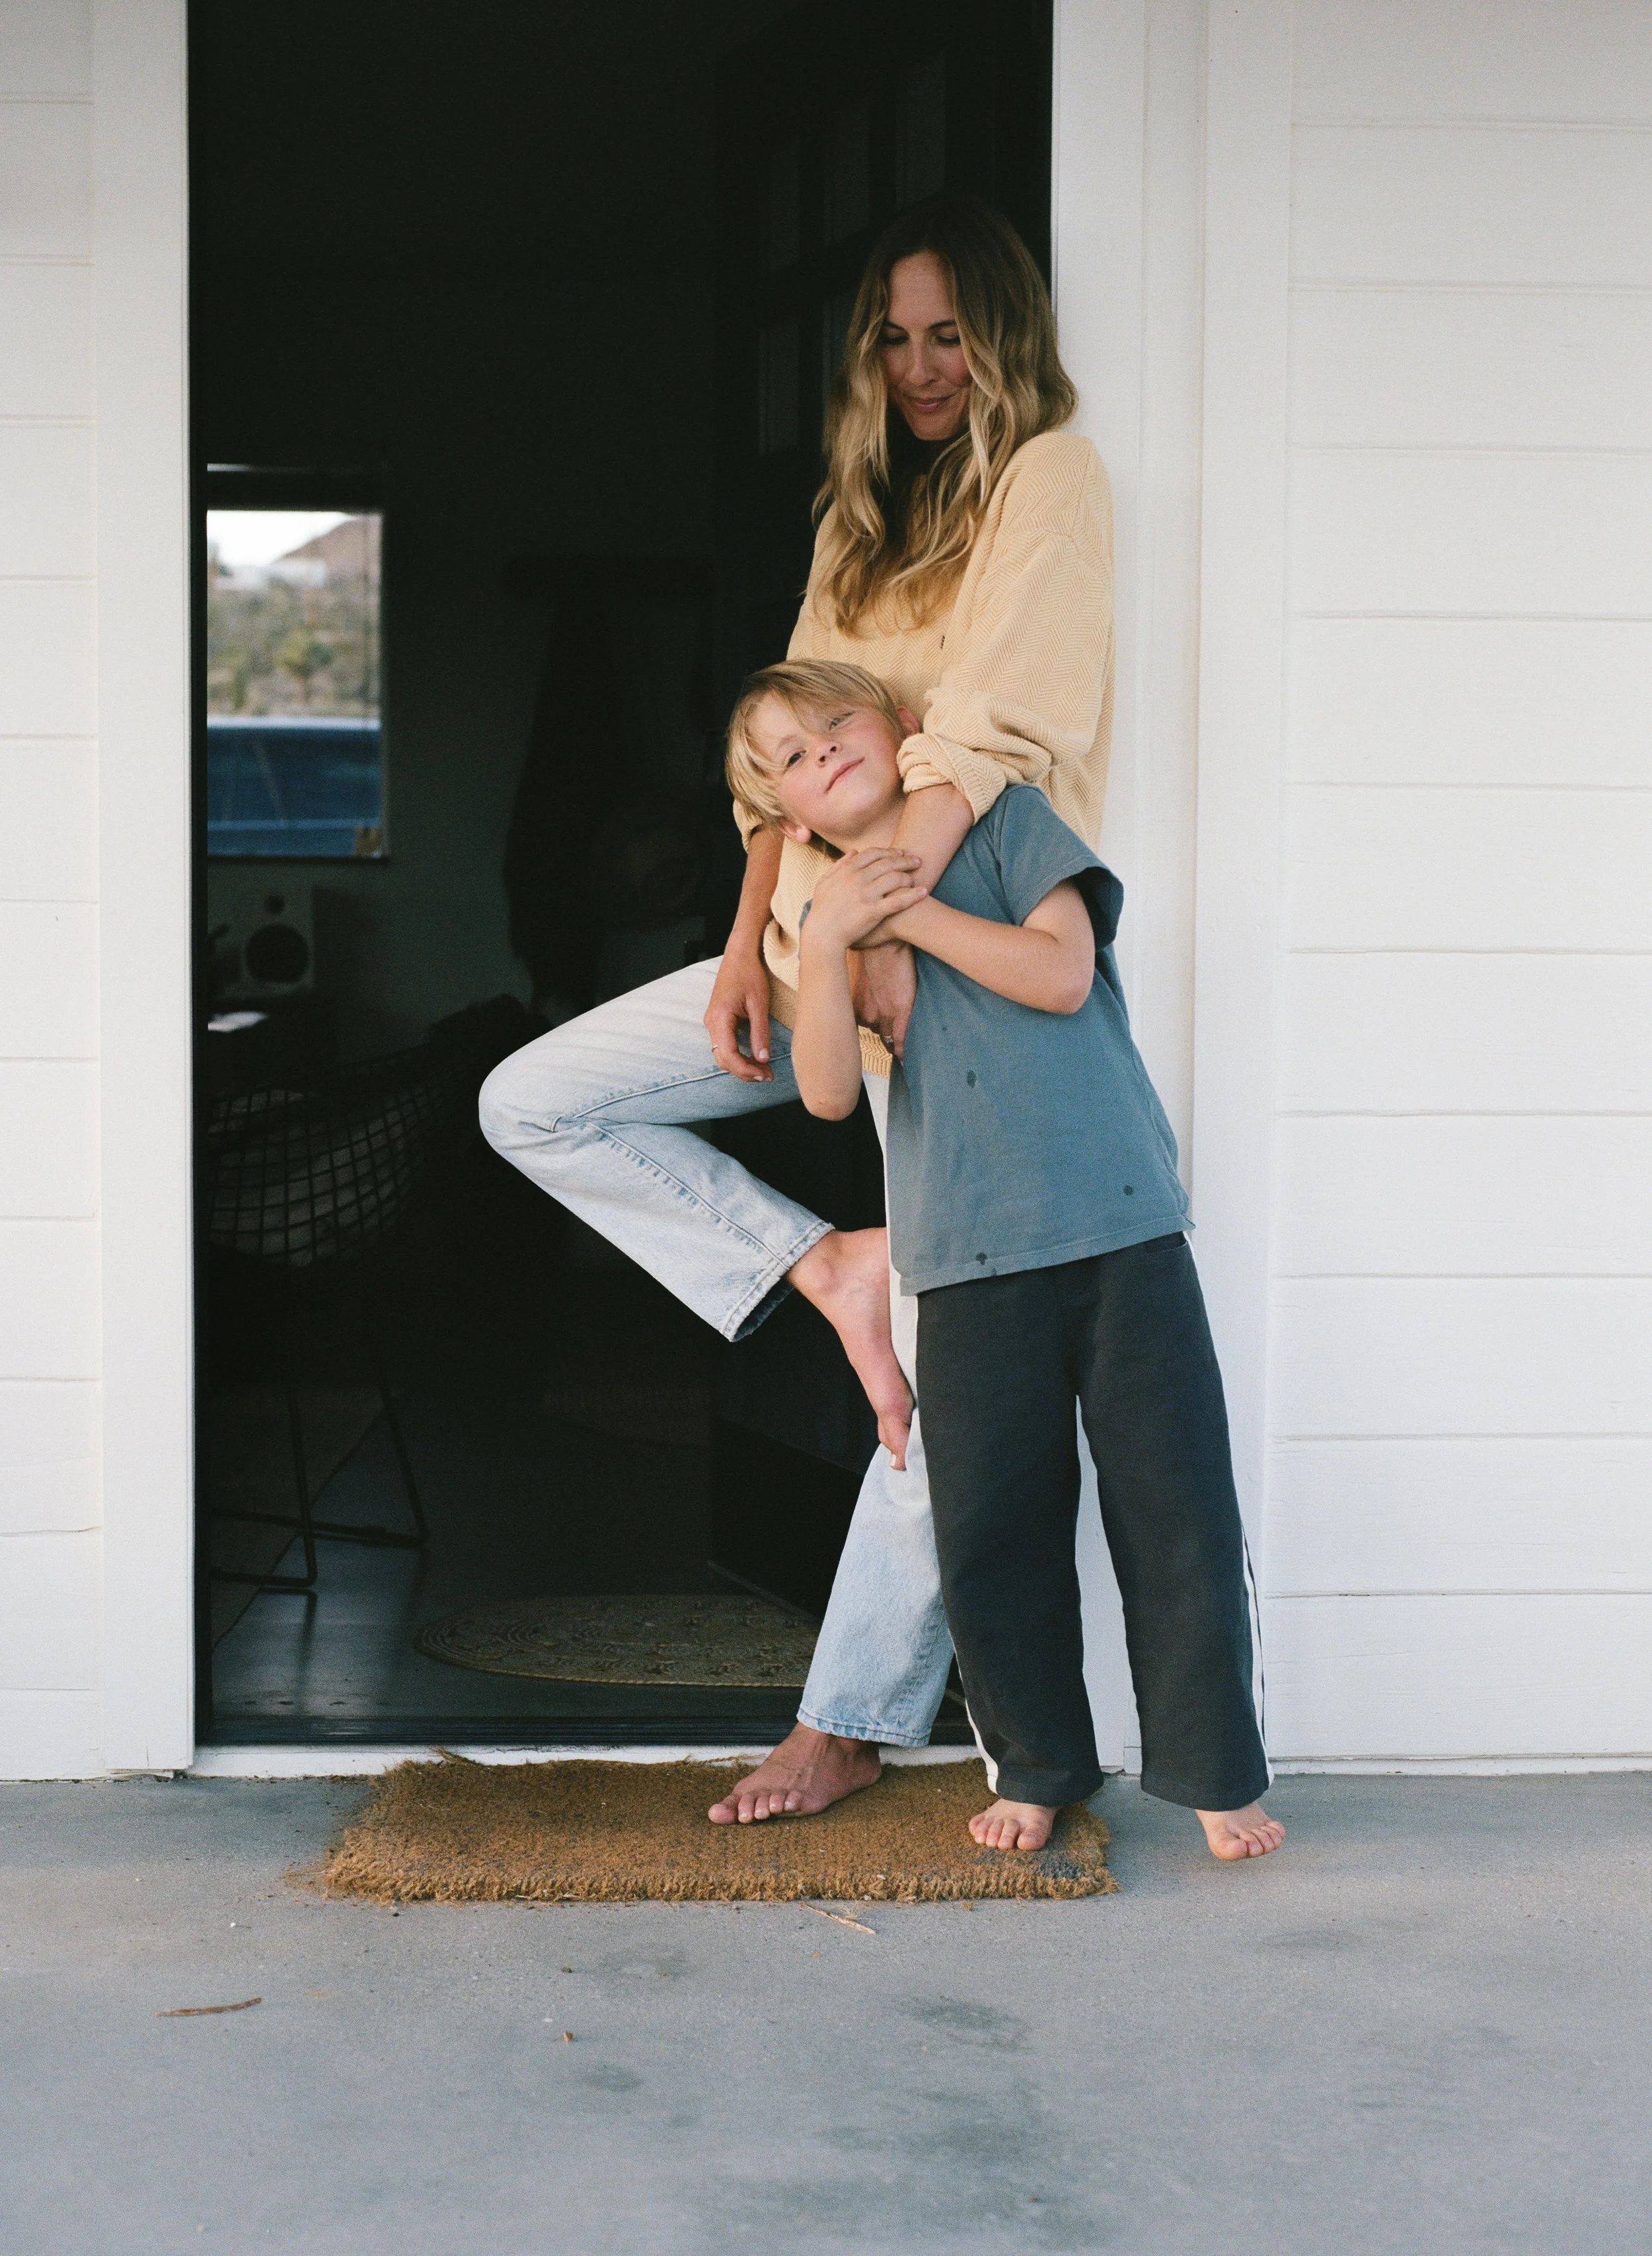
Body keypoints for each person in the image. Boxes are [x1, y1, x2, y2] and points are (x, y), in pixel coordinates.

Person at [478, 194, 1120, 1829]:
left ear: (999, 337)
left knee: (943, 1360)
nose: (919, 368)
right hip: (811, 938)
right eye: (891, 340)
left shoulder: (1048, 479)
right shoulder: (857, 515)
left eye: (947, 335)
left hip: (945, 946)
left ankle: (844, 1719)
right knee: (532, 1099)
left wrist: (883, 915)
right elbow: (779, 753)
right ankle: (815, 1266)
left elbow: (991, 735)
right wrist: (745, 939)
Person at [733, 658, 1283, 1861]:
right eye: (792, 757)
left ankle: (1217, 1774)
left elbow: (1061, 973)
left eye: (837, 724)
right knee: (994, 1529)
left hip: (1119, 1223)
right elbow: (825, 1094)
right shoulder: (825, 915)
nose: (824, 752)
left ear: (902, 726)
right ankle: (1037, 1767)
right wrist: (828, 944)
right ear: (787, 816)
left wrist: (906, 912)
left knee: (1177, 1509)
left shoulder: (1005, 822)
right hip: (966, 1256)